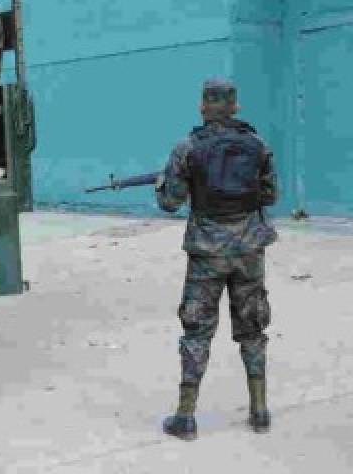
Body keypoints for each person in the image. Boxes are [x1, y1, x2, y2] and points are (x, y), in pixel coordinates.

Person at [155, 78, 277, 440]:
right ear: (235, 107)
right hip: (249, 248)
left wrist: (165, 183)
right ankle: (259, 411)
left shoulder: (187, 148)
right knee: (253, 326)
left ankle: (186, 417)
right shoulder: (258, 145)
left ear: (203, 107)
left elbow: (169, 202)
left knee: (196, 329)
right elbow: (270, 195)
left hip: (207, 250)